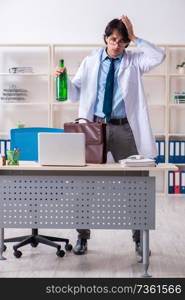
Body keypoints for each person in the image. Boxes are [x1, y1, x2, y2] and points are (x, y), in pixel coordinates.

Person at [55, 16, 166, 255]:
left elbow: (159, 56)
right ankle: (82, 236)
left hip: (124, 129)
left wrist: (136, 37)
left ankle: (139, 240)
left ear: (127, 43)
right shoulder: (90, 61)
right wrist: (62, 78)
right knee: (85, 186)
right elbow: (75, 94)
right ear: (105, 38)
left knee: (135, 186)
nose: (116, 45)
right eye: (113, 39)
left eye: (122, 41)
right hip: (94, 128)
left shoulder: (135, 61)